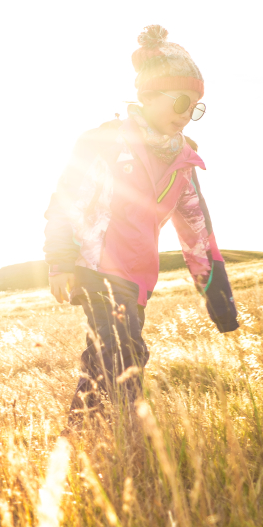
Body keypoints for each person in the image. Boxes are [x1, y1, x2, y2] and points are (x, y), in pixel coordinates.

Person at [44, 24, 227, 423]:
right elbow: (65, 202)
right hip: (95, 268)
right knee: (124, 353)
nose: (188, 116)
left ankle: (79, 433)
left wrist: (218, 296)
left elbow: (197, 231)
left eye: (196, 107)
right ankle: (127, 436)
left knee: (104, 358)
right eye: (182, 102)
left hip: (138, 278)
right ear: (148, 95)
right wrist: (59, 261)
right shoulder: (104, 142)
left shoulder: (184, 161)